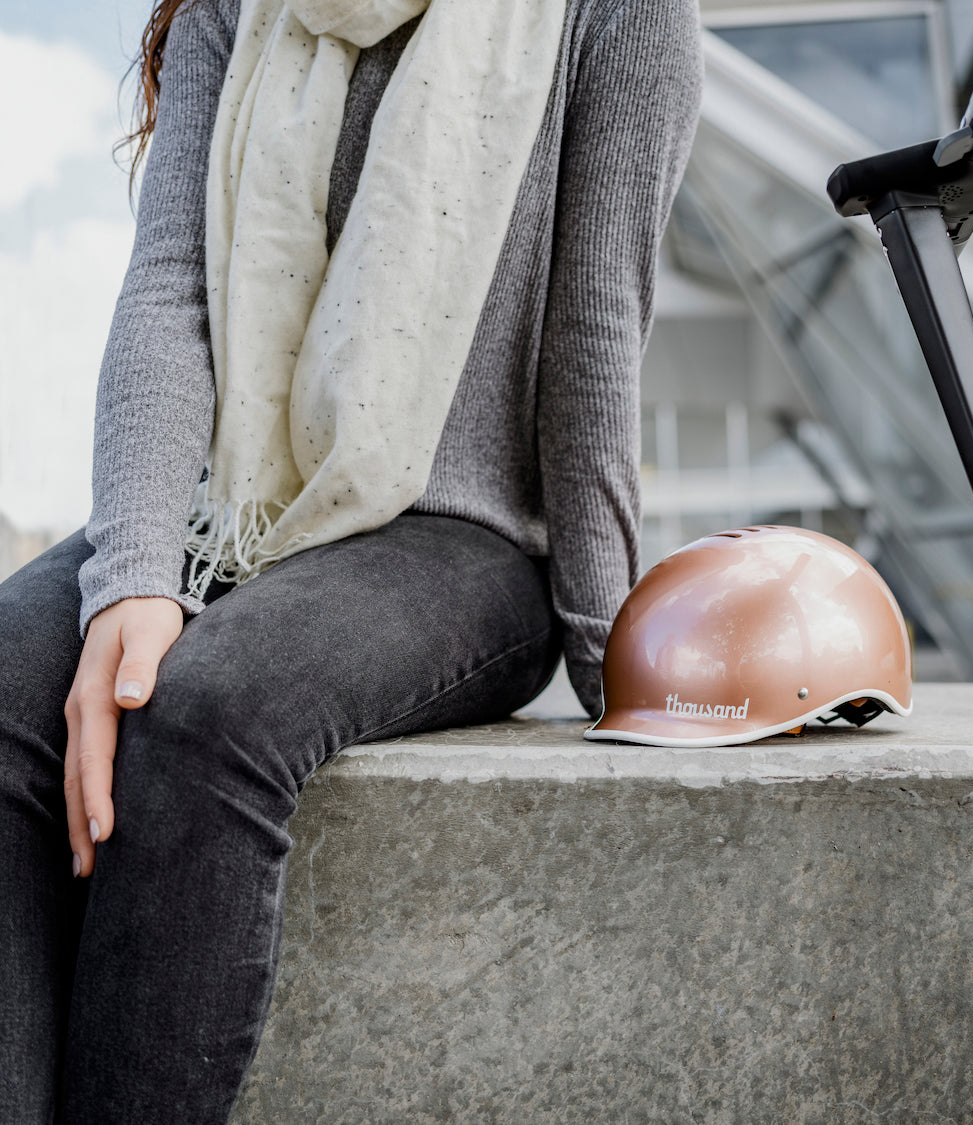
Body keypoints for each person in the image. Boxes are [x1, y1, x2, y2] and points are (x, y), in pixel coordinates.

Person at [0, 0, 701, 1118]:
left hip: (464, 537)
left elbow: (595, 335)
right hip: (238, 510)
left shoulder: (618, 15)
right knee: (8, 674)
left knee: (207, 708)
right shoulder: (232, 10)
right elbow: (170, 285)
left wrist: (620, 660)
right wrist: (135, 575)